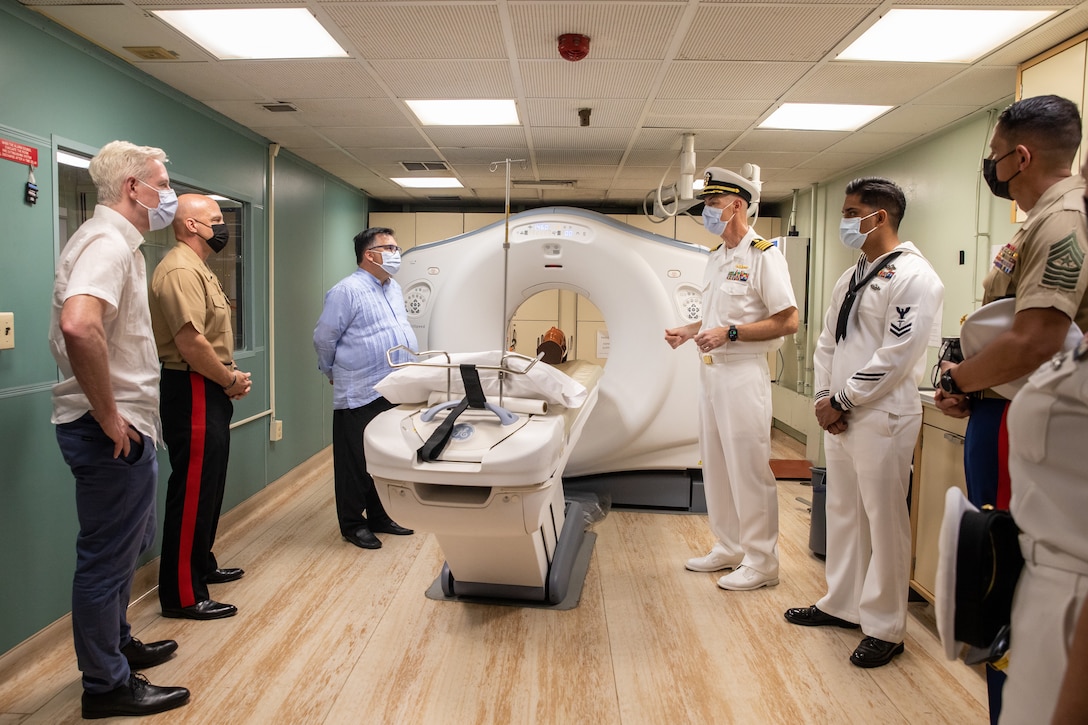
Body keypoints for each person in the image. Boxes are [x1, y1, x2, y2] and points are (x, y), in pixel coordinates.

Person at [933, 95, 1087, 719]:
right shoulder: (1040, 221)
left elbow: (1036, 339)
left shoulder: (1062, 220)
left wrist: (963, 378)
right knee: (1004, 571)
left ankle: (1016, 697)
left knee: (1009, 572)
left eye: (995, 158)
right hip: (1003, 413)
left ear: (1020, 156)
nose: (993, 172)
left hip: (1034, 428)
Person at [50, 140, 190, 718]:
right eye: (162, 181)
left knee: (129, 545)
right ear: (133, 187)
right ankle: (105, 685)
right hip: (109, 427)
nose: (169, 194)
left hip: (123, 424)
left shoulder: (116, 243)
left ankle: (117, 645)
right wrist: (111, 416)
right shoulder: (107, 243)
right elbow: (80, 327)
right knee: (107, 560)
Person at [784, 178, 944, 668]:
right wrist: (822, 398)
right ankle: (843, 603)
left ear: (881, 216)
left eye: (852, 212)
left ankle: (886, 626)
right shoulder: (851, 275)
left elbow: (896, 356)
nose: (845, 221)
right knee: (845, 512)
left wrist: (844, 399)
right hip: (842, 414)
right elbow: (828, 343)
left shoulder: (916, 278)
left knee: (885, 520)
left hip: (882, 416)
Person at [665, 166, 798, 591]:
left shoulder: (763, 255)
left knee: (749, 469)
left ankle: (762, 562)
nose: (706, 211)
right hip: (711, 376)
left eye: (713, 203)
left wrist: (731, 334)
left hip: (743, 375)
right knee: (717, 466)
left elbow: (788, 320)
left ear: (737, 205)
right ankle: (730, 546)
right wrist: (690, 330)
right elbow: (722, 317)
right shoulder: (716, 258)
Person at [149, 194, 252, 620]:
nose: (223, 225)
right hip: (191, 385)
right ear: (192, 226)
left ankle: (200, 565)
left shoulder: (199, 269)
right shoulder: (177, 269)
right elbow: (191, 343)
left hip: (206, 386)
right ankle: (183, 594)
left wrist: (226, 378)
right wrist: (228, 379)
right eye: (216, 219)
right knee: (192, 490)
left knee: (208, 485)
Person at [313, 227, 417, 549]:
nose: (396, 252)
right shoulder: (346, 291)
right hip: (360, 388)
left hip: (393, 386)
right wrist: (331, 370)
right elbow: (323, 337)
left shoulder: (394, 288)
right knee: (355, 460)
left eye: (397, 246)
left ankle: (380, 516)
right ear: (369, 255)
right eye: (389, 247)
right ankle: (352, 524)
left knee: (382, 456)